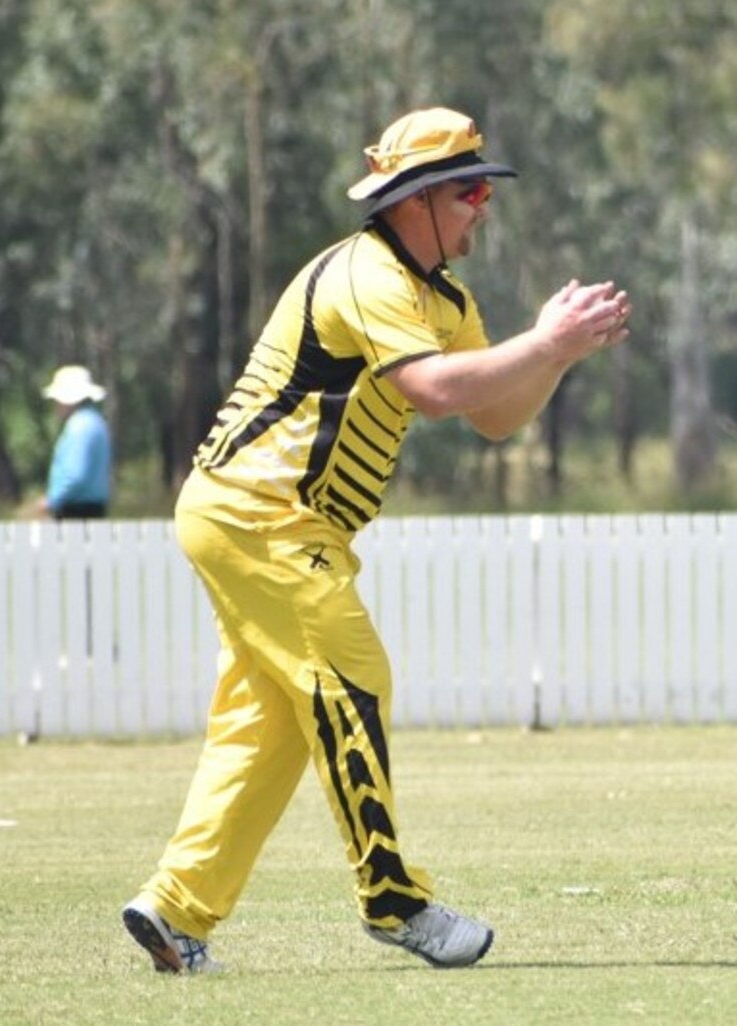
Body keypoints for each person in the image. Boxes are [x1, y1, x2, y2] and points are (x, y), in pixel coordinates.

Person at [122, 107, 630, 973]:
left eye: (484, 189)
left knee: (269, 727)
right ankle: (393, 898)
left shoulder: (442, 297)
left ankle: (177, 908)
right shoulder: (369, 275)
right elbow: (434, 390)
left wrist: (554, 357)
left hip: (252, 514)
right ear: (418, 199)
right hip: (263, 513)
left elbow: (495, 416)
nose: (483, 206)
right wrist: (542, 339)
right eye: (470, 189)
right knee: (355, 679)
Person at [35, 365, 112, 519]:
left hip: (75, 511)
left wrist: (52, 500)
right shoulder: (97, 422)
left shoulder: (79, 427)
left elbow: (76, 475)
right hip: (95, 508)